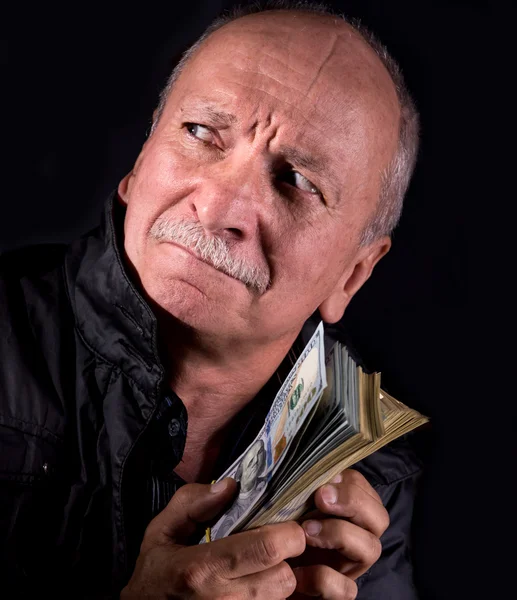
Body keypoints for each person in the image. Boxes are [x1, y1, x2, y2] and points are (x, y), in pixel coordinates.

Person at [0, 3, 423, 598]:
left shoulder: (366, 473)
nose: (221, 206)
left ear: (352, 275)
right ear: (140, 159)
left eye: (298, 180)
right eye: (201, 133)